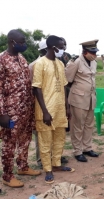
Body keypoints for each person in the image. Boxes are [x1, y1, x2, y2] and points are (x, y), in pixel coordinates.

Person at [0, 29, 41, 188]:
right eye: (22, 42)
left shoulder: (21, 58)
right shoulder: (2, 60)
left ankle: (23, 167)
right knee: (9, 143)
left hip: (26, 107)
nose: (24, 45)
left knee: (25, 138)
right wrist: (2, 113)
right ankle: (7, 175)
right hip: (11, 111)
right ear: (12, 42)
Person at [32, 35, 74, 184]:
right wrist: (44, 111)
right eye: (62, 47)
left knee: (60, 138)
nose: (63, 50)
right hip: (46, 110)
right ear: (53, 47)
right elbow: (36, 88)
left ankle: (56, 164)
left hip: (60, 109)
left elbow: (63, 86)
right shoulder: (40, 64)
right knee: (45, 141)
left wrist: (67, 107)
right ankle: (48, 169)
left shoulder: (60, 64)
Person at [65, 40, 99, 162]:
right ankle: (77, 151)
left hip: (90, 99)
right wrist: (79, 89)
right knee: (77, 126)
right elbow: (68, 81)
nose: (94, 55)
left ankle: (87, 148)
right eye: (92, 52)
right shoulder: (76, 62)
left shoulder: (94, 62)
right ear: (85, 52)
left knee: (89, 125)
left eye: (95, 52)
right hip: (78, 99)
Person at [29, 40, 47, 168]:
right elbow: (33, 88)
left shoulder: (55, 63)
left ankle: (52, 157)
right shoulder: (34, 65)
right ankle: (41, 160)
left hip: (53, 104)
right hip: (39, 105)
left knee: (52, 132)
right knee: (41, 133)